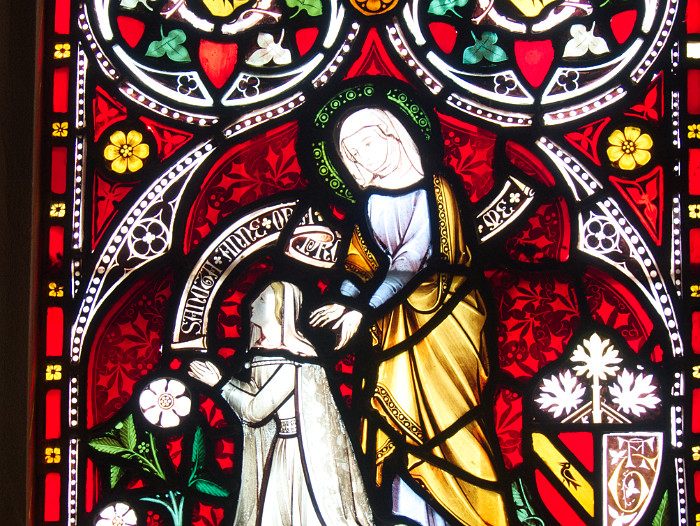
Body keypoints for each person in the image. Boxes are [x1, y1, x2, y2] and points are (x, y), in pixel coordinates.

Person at [310, 107, 508, 526]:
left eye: (367, 143)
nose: (363, 157)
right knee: (394, 424)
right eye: (352, 154)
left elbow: (411, 260)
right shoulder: (370, 201)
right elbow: (360, 264)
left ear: (393, 134)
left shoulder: (436, 190)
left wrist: (362, 310)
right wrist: (344, 301)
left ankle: (476, 515)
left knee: (452, 423)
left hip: (445, 320)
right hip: (393, 327)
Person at [189, 281, 374, 526]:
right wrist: (223, 382)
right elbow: (255, 396)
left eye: (262, 300)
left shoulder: (299, 359)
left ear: (281, 309)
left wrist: (221, 384)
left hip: (301, 456)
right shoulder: (262, 353)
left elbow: (255, 411)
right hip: (281, 447)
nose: (252, 304)